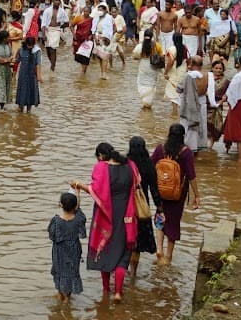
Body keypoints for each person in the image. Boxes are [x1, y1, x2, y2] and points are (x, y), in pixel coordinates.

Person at [69, 141, 138, 302]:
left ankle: (106, 290)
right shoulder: (130, 166)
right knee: (123, 255)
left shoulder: (101, 167)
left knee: (106, 252)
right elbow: (137, 183)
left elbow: (96, 190)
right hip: (126, 215)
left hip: (107, 216)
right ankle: (119, 292)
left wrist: (78, 184)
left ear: (100, 156)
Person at [150, 123, 199, 265]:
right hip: (177, 194)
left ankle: (159, 248)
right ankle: (168, 256)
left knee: (161, 216)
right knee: (173, 222)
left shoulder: (161, 149)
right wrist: (197, 195)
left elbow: (151, 165)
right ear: (183, 136)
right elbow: (191, 176)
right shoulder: (186, 152)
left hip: (160, 191)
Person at [126, 136, 159, 270]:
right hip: (141, 207)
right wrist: (159, 207)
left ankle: (121, 271)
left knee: (124, 238)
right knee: (137, 243)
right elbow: (154, 189)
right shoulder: (149, 164)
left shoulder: (125, 164)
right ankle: (133, 273)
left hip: (125, 206)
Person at [48, 191, 86, 301]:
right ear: (75, 206)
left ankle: (60, 294)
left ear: (60, 205)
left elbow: (52, 236)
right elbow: (82, 230)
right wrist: (78, 195)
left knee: (59, 271)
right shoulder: (79, 219)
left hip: (59, 252)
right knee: (72, 271)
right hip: (74, 250)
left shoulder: (56, 221)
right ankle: (68, 298)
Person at [15, 34, 41, 113]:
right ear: (26, 44)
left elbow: (38, 64)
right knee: (22, 89)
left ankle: (29, 110)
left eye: (31, 45)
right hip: (23, 74)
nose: (30, 47)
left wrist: (39, 76)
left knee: (31, 90)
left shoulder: (37, 51)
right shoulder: (21, 50)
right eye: (29, 45)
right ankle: (20, 108)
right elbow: (17, 60)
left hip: (32, 74)